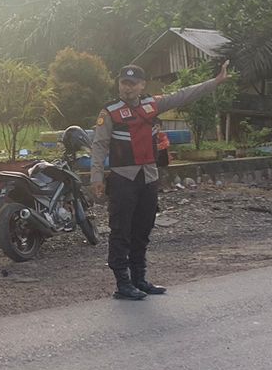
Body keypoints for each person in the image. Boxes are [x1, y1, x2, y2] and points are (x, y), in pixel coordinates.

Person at [94, 61, 229, 300]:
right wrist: (96, 177)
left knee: (143, 229)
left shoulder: (152, 104)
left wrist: (215, 82)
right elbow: (99, 146)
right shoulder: (110, 112)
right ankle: (122, 283)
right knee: (121, 231)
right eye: (124, 83)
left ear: (142, 85)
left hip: (148, 177)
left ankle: (139, 278)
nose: (127, 88)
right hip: (123, 178)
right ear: (119, 84)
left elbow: (183, 95)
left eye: (132, 84)